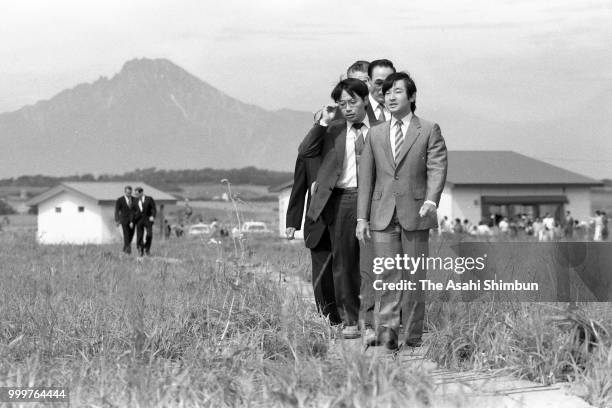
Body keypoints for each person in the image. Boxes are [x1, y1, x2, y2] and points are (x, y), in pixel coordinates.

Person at [356, 71, 448, 350]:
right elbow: (367, 179)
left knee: (414, 276)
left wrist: (432, 200)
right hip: (381, 215)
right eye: (387, 92)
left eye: (397, 91)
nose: (390, 96)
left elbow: (437, 167)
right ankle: (387, 334)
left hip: (417, 213)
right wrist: (362, 217)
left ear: (412, 96)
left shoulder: (429, 129)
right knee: (386, 275)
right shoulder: (375, 134)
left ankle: (413, 335)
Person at [298, 78, 381, 340]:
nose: (347, 108)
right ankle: (349, 320)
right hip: (343, 199)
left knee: (371, 261)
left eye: (352, 102)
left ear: (365, 100)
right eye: (341, 103)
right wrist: (322, 122)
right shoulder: (332, 129)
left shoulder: (380, 128)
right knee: (343, 262)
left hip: (375, 198)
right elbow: (306, 151)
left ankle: (371, 319)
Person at [286, 155, 341, 325]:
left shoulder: (351, 141)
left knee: (347, 271)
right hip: (317, 222)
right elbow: (299, 187)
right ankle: (329, 319)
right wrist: (292, 222)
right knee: (322, 275)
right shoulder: (309, 152)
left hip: (344, 219)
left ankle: (350, 317)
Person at [133, 187, 157, 256]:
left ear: (141, 193)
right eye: (135, 194)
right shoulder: (135, 201)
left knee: (149, 234)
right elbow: (132, 211)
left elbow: (153, 209)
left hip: (148, 219)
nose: (135, 195)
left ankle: (147, 248)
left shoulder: (149, 199)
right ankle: (140, 249)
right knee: (139, 236)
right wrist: (132, 220)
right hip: (139, 220)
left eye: (137, 194)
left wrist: (153, 216)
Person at [114, 185, 135, 254]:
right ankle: (128, 251)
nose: (129, 194)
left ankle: (124, 249)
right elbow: (116, 210)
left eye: (130, 193)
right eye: (128, 193)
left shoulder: (135, 200)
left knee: (131, 235)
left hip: (133, 221)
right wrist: (117, 220)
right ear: (125, 192)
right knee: (126, 235)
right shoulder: (120, 200)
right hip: (124, 220)